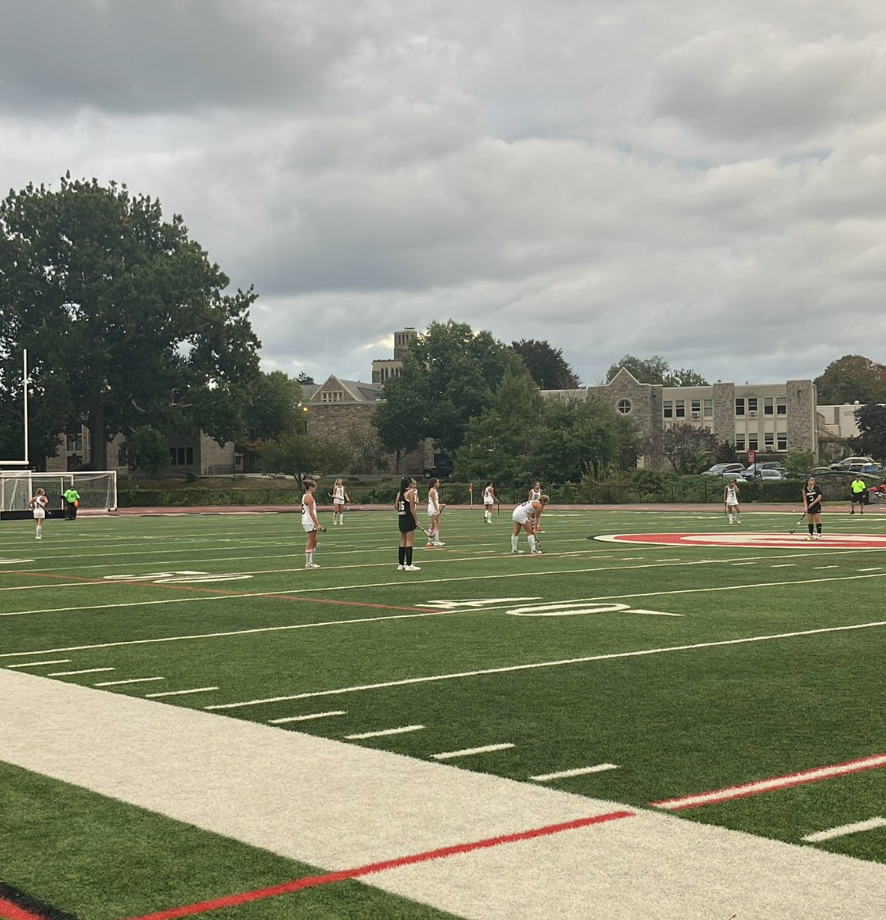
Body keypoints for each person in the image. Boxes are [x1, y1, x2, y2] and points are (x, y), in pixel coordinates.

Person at [396, 477, 421, 571]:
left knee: (403, 541)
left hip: (401, 518)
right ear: (409, 484)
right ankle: (409, 564)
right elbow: (412, 508)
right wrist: (416, 520)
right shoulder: (409, 492)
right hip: (408, 518)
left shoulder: (399, 493)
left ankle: (401, 564)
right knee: (409, 541)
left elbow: (396, 506)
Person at [301, 480, 324, 568]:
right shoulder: (309, 498)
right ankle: (308, 562)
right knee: (311, 541)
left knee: (315, 540)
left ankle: (311, 561)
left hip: (308, 521)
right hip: (309, 521)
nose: (315, 488)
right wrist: (317, 524)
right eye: (314, 486)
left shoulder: (306, 496)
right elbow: (311, 512)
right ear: (310, 487)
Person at [426, 478, 445, 547]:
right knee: (436, 523)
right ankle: (436, 541)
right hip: (433, 509)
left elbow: (435, 501)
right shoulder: (432, 491)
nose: (438, 483)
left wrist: (440, 505)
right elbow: (433, 502)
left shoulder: (434, 490)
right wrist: (437, 510)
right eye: (437, 482)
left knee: (433, 524)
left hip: (434, 508)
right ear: (434, 483)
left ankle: (430, 540)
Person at [803, 476, 824, 541]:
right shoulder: (805, 490)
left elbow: (819, 497)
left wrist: (813, 503)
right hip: (809, 507)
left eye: (813, 480)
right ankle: (811, 534)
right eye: (811, 480)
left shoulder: (816, 488)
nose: (813, 481)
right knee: (810, 521)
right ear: (808, 481)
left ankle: (819, 534)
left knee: (817, 521)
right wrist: (806, 507)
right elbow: (805, 500)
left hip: (816, 506)